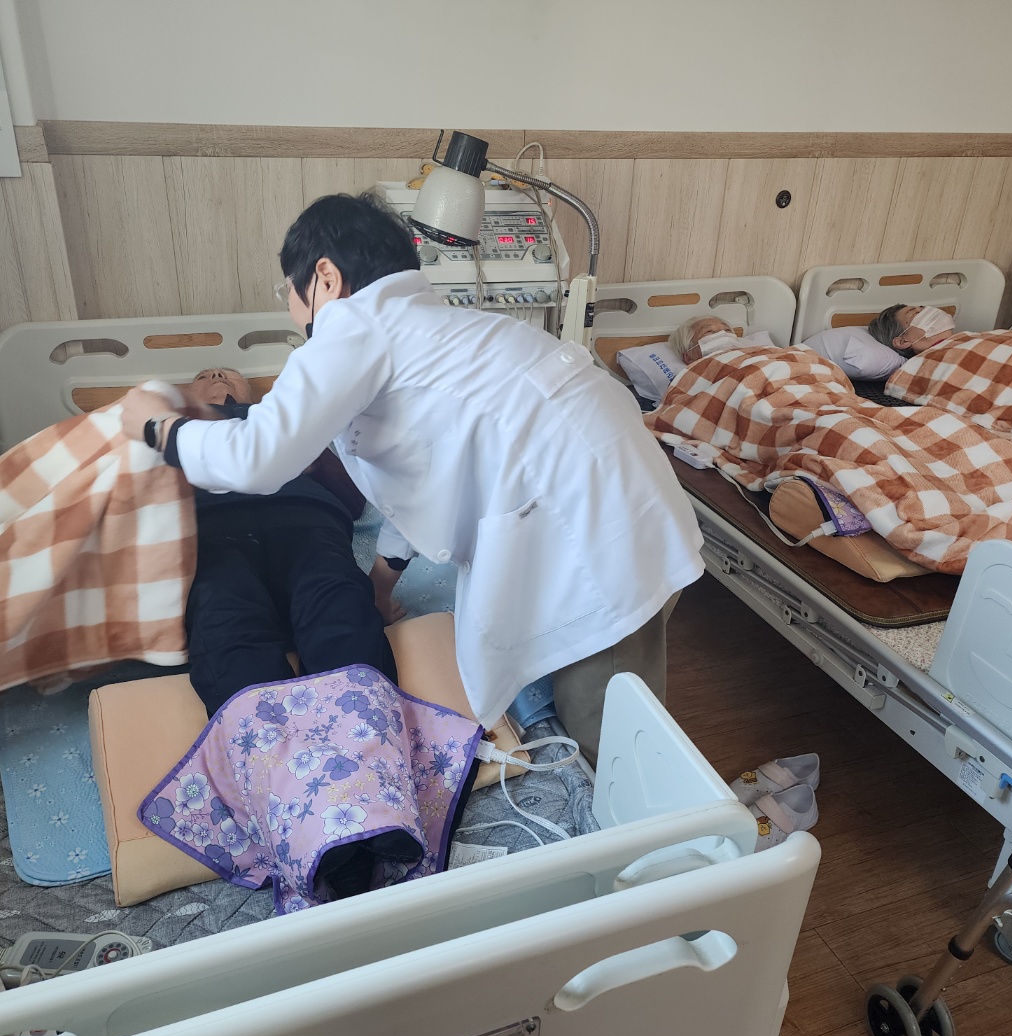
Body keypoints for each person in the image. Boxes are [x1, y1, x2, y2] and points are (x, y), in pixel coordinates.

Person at [121, 192, 704, 761]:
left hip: (598, 539)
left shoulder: (351, 330)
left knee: (609, 736)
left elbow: (255, 458)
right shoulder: (435, 331)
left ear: (324, 278)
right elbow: (423, 475)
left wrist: (156, 426)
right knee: (232, 625)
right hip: (626, 502)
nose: (292, 310)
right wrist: (382, 580)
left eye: (288, 292)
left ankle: (656, 825)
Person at [181, 365, 397, 716]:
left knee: (339, 600)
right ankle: (263, 741)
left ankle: (359, 732)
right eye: (203, 375)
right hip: (213, 527)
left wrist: (307, 445)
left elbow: (354, 499)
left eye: (230, 373)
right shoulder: (175, 430)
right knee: (223, 613)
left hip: (304, 517)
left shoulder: (281, 419)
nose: (218, 376)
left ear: (251, 391)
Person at [798, 304, 955, 381]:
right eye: (916, 314)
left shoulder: (964, 340)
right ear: (902, 341)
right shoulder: (925, 371)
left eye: (923, 309)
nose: (929, 312)